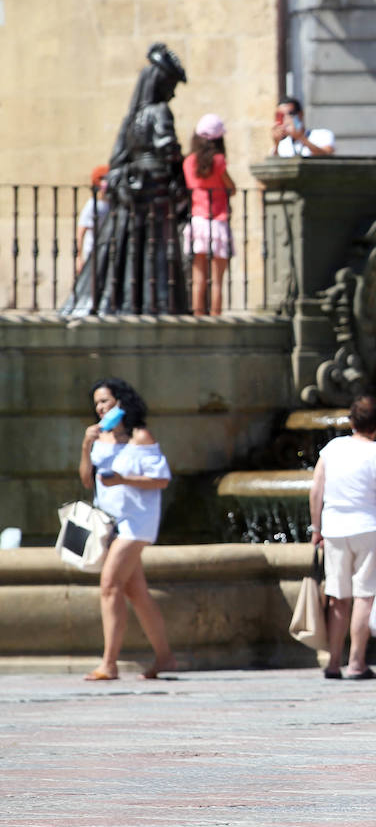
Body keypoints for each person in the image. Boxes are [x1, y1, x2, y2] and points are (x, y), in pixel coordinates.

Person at [61, 43, 190, 316]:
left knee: (133, 253)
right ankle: (157, 304)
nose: (174, 92)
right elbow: (169, 150)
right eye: (171, 84)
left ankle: (130, 302)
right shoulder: (159, 113)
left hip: (133, 197)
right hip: (155, 193)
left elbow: (117, 160)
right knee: (155, 255)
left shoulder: (130, 119)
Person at [79, 378, 176, 681]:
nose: (100, 408)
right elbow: (86, 480)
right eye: (97, 403)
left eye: (105, 401)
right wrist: (85, 446)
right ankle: (165, 658)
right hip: (111, 523)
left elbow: (161, 480)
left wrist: (122, 480)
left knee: (109, 586)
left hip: (137, 522)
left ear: (121, 402)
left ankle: (109, 663)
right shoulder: (99, 439)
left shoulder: (140, 437)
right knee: (136, 592)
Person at [309, 395, 376, 681]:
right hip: (369, 528)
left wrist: (316, 528)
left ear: (351, 421)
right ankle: (357, 663)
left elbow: (316, 491)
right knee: (364, 595)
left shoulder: (332, 448)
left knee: (338, 597)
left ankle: (333, 663)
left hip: (334, 528)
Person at [182, 113, 236, 316]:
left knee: (198, 278)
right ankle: (215, 316)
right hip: (218, 220)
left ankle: (198, 316)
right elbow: (231, 187)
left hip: (197, 221)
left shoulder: (189, 162)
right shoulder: (219, 160)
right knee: (217, 280)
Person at [74, 164, 109, 276]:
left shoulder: (112, 204)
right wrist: (78, 257)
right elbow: (81, 232)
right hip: (92, 252)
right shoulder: (91, 205)